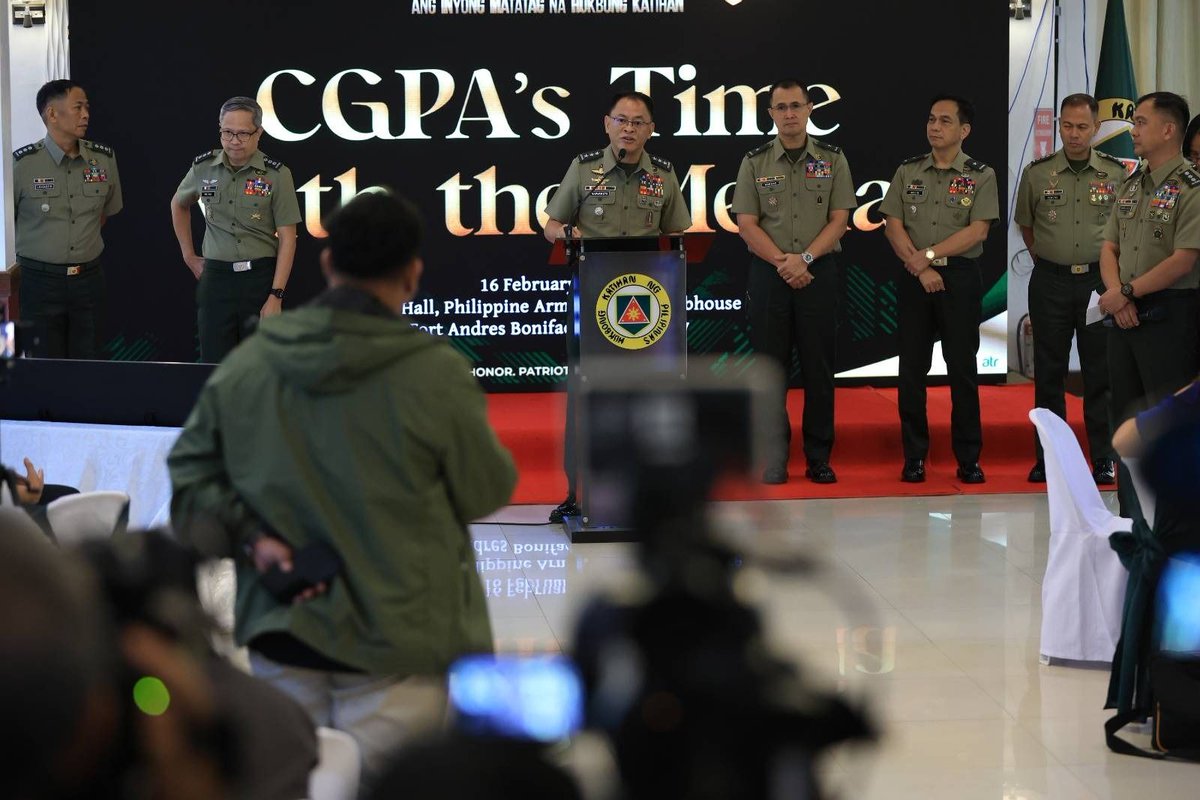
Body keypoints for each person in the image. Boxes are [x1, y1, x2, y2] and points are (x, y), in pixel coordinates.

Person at [168, 190, 517, 786]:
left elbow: (189, 486)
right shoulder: (436, 372)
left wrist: (254, 537)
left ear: (328, 265)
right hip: (401, 636)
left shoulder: (250, 367)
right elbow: (485, 489)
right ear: (413, 273)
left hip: (283, 625)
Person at [541, 91, 691, 522]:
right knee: (587, 396)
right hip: (592, 306)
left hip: (648, 312)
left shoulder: (662, 174)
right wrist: (568, 236)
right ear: (607, 124)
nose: (629, 128)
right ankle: (579, 493)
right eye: (621, 120)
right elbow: (552, 225)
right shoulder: (586, 169)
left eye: (638, 121)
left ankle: (652, 493)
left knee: (648, 398)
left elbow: (678, 236)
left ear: (651, 129)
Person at [731, 79, 854, 485]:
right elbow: (746, 224)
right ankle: (774, 458)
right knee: (770, 371)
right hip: (769, 274)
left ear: (810, 108)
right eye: (780, 108)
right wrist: (784, 263)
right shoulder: (755, 161)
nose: (789, 114)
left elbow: (840, 219)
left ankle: (819, 457)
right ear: (770, 114)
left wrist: (803, 260)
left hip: (818, 272)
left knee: (819, 369)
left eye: (795, 106)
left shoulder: (833, 159)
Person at [880, 94, 999, 484]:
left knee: (963, 370)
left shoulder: (981, 174)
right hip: (915, 279)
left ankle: (969, 458)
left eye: (945, 121)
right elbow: (893, 224)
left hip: (960, 279)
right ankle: (914, 456)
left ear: (964, 130)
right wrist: (918, 265)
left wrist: (927, 256)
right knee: (912, 370)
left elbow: (977, 231)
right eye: (931, 119)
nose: (935, 127)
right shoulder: (908, 170)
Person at [1096, 91, 1200, 514]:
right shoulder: (1131, 181)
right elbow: (1108, 246)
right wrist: (1119, 297)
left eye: (1140, 122)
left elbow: (1185, 259)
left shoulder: (1191, 188)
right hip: (1125, 316)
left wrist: (1126, 293)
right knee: (1125, 421)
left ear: (1168, 129)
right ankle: (1131, 517)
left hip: (1170, 317)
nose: (1133, 130)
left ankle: (1172, 520)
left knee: (1166, 424)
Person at [1015, 93, 1121, 485]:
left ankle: (1104, 458)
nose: (1073, 134)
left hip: (1099, 283)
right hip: (1051, 282)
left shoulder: (1115, 173)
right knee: (1048, 373)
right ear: (1058, 124)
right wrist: (1052, 258)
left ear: (1095, 128)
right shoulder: (1038, 172)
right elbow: (1027, 227)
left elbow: (1123, 231)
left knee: (1100, 373)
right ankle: (1049, 459)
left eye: (1081, 127)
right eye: (1066, 126)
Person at [169, 96, 300, 362]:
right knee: (214, 367)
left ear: (258, 133)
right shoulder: (204, 167)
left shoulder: (277, 174)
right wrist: (189, 256)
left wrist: (276, 295)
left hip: (259, 280)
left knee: (259, 366)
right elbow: (178, 204)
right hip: (216, 279)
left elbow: (288, 237)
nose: (234, 141)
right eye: (227, 133)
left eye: (242, 133)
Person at [12, 79, 122, 359]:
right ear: (52, 113)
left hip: (88, 280)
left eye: (87, 107)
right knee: (43, 366)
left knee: (90, 363)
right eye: (77, 107)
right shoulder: (22, 165)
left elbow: (103, 215)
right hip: (39, 284)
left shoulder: (103, 160)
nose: (86, 114)